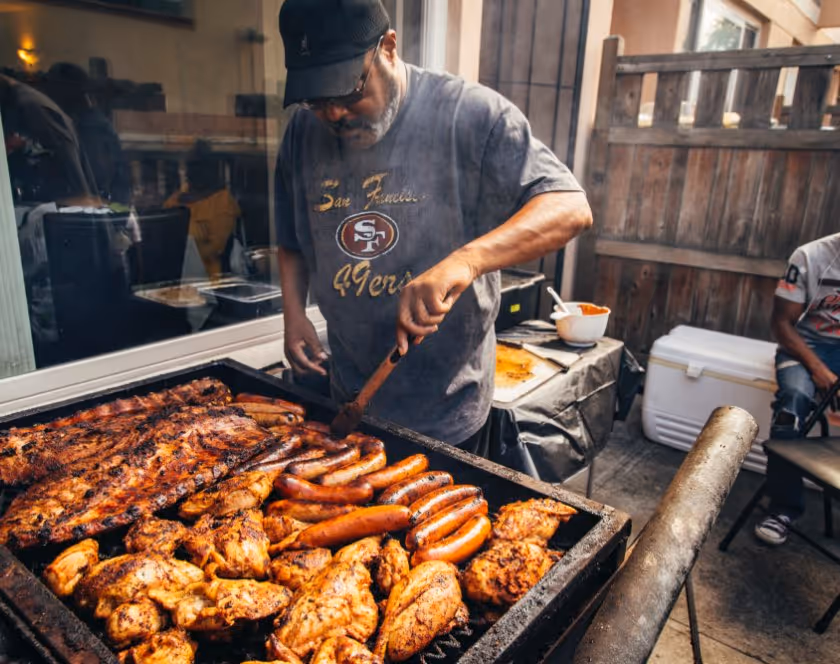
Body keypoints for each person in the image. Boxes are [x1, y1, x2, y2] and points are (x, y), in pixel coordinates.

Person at [275, 0, 592, 449]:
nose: (333, 114)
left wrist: (468, 260)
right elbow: (291, 235)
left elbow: (569, 207)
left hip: (448, 409)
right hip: (348, 391)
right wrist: (293, 314)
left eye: (347, 92)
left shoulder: (470, 113)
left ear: (387, 47)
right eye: (316, 99)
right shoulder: (302, 132)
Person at [754, 232, 840, 546]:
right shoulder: (808, 257)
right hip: (806, 346)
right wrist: (822, 373)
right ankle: (783, 509)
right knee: (792, 405)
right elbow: (781, 325)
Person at [1, 72, 96, 203]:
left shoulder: (29, 105)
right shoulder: (24, 102)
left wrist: (83, 196)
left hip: (63, 203)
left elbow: (66, 154)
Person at [165, 140, 240, 280]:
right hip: (174, 275)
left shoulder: (223, 201)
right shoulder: (178, 196)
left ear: (210, 168)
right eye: (189, 166)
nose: (190, 172)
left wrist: (184, 250)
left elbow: (217, 248)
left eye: (197, 166)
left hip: (208, 281)